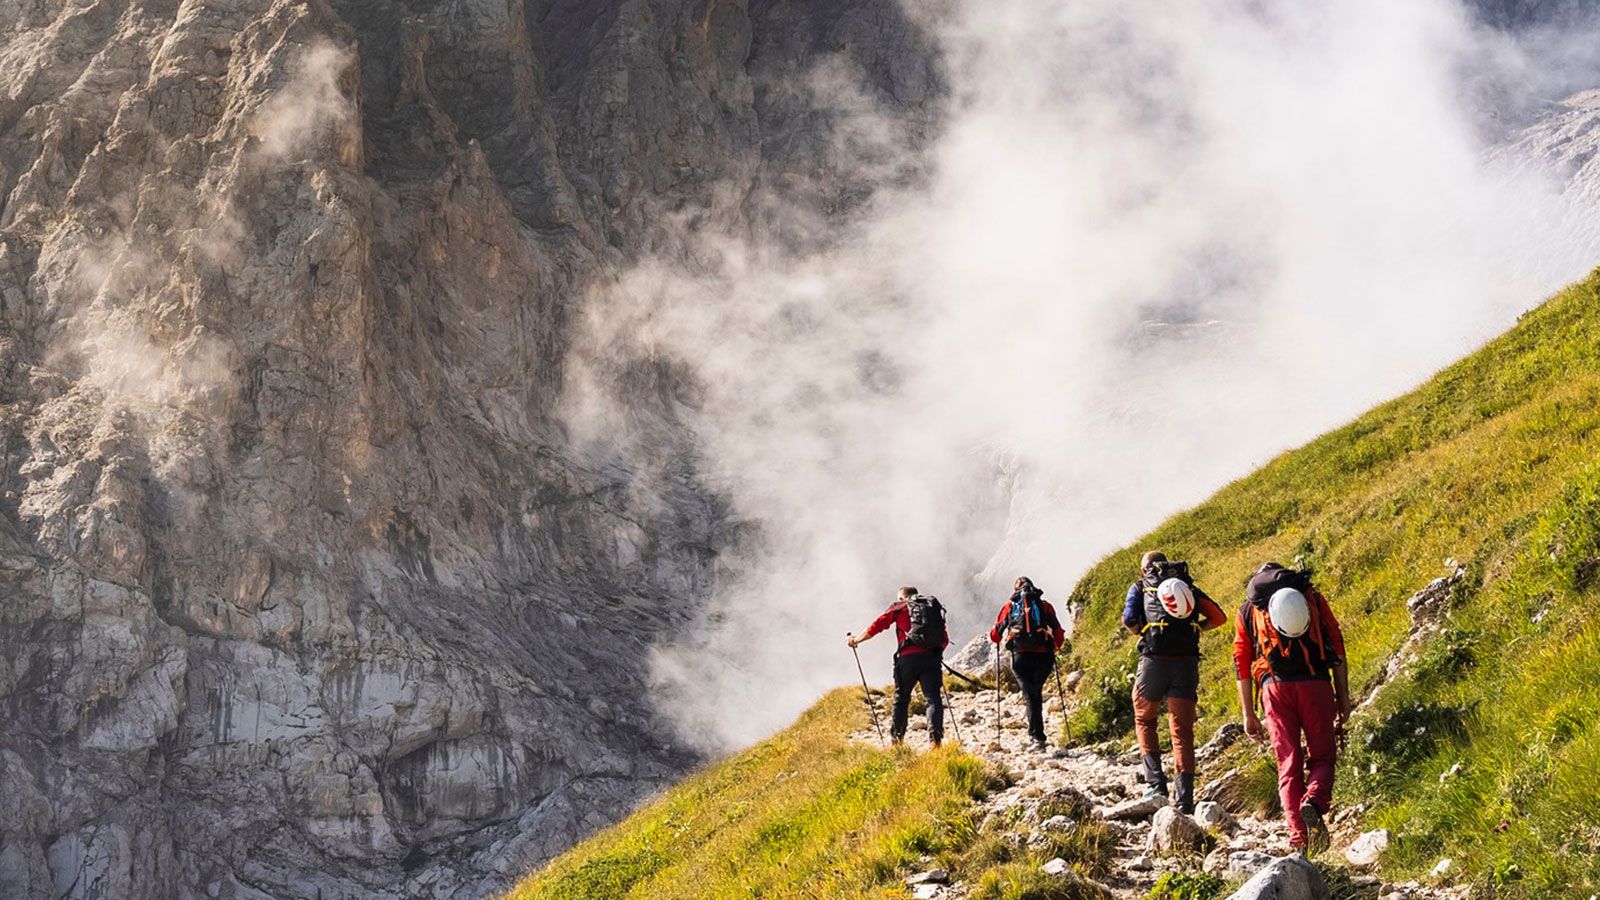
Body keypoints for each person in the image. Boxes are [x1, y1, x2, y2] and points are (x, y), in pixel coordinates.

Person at [1233, 562, 1350, 854]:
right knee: (1322, 757)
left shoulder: (1249, 608)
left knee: (1288, 764)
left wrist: (1248, 713)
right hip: (1315, 685)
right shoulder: (1310, 596)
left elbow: (1241, 660)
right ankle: (1314, 800)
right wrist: (1343, 695)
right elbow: (1336, 642)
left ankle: (1299, 839)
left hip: (1274, 689)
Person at [1122, 550, 1227, 812]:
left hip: (1154, 662)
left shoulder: (1140, 587)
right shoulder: (1187, 586)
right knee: (1182, 731)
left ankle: (1156, 785)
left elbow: (1129, 620)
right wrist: (1197, 629)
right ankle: (1185, 800)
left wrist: (1145, 632)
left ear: (1143, 569)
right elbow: (1219, 617)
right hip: (1186, 663)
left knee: (1145, 719)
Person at [848, 586, 950, 747]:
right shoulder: (931, 608)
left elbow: (877, 625)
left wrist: (857, 640)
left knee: (901, 699)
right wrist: (933, 654)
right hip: (931, 659)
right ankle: (935, 741)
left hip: (907, 660)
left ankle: (897, 741)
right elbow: (943, 638)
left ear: (902, 597)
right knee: (933, 699)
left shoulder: (899, 607)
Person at [987, 577, 1066, 751]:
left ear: (1015, 590)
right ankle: (1038, 736)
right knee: (1035, 692)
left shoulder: (1010, 606)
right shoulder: (1044, 605)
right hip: (1044, 656)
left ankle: (1037, 738)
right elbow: (1058, 630)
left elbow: (995, 635)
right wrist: (1055, 647)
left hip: (1020, 656)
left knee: (1030, 694)